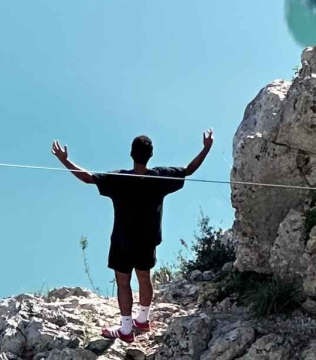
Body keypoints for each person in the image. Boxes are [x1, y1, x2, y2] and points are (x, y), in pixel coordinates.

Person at [51, 130, 214, 343]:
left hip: (122, 242)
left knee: (123, 282)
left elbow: (87, 178)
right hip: (147, 241)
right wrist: (206, 148)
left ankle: (126, 330)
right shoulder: (160, 177)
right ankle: (143, 320)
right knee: (144, 277)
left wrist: (65, 160)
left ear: (131, 154)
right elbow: (189, 170)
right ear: (151, 154)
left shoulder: (119, 178)